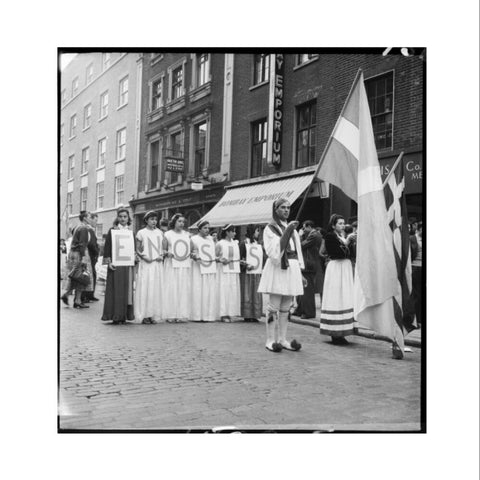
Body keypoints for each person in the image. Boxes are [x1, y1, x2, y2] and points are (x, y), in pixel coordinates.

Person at [258, 199, 304, 352]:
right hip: (278, 268)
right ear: (275, 209)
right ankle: (270, 339)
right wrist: (287, 232)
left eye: (288, 208)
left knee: (286, 307)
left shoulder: (293, 229)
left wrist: (300, 272)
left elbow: (297, 251)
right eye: (283, 207)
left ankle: (282, 339)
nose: (286, 210)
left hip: (292, 267)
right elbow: (273, 252)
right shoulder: (270, 228)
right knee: (273, 306)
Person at [319, 214, 357, 345]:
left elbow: (351, 254)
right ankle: (335, 332)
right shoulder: (330, 236)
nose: (342, 225)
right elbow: (336, 253)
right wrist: (348, 242)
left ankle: (343, 331)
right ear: (333, 225)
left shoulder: (343, 237)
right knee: (336, 297)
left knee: (345, 296)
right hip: (336, 267)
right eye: (339, 223)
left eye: (343, 223)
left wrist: (351, 242)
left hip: (345, 268)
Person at [101, 208, 136, 324]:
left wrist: (135, 258)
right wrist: (109, 262)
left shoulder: (131, 232)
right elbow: (107, 248)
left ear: (128, 218)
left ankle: (124, 316)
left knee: (126, 290)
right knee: (115, 290)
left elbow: (133, 249)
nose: (123, 219)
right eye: (120, 216)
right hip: (115, 265)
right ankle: (115, 315)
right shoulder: (112, 231)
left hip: (127, 265)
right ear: (117, 218)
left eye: (125, 217)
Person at [134, 211, 164, 324]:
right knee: (146, 287)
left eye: (155, 219)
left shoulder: (160, 233)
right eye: (151, 219)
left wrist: (161, 255)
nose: (154, 221)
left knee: (155, 288)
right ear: (146, 220)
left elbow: (162, 248)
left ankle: (153, 314)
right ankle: (145, 314)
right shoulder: (141, 233)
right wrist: (143, 256)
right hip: (147, 263)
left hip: (157, 264)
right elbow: (137, 249)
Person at [61, 211, 94, 308]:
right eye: (89, 217)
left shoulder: (77, 227)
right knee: (81, 277)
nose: (90, 218)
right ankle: (74, 299)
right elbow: (82, 244)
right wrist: (83, 257)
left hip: (73, 253)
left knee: (76, 277)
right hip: (79, 254)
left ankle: (75, 299)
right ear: (84, 218)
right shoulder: (83, 228)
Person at [163, 213, 192, 322]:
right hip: (172, 264)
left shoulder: (187, 235)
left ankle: (181, 314)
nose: (181, 223)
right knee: (172, 288)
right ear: (174, 222)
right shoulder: (168, 234)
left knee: (183, 288)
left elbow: (191, 249)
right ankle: (170, 314)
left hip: (184, 265)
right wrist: (167, 253)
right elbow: (163, 250)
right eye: (179, 221)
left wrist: (192, 254)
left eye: (183, 222)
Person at [190, 220, 218, 322]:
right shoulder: (194, 239)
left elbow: (214, 253)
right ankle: (197, 315)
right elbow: (190, 252)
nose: (207, 230)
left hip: (209, 268)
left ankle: (208, 315)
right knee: (198, 290)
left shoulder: (211, 240)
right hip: (198, 268)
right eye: (205, 228)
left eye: (208, 228)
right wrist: (194, 256)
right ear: (199, 229)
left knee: (209, 290)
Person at [295, 220, 322, 319]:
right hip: (309, 264)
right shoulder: (314, 234)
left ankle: (309, 312)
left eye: (304, 227)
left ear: (309, 227)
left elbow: (301, 245)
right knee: (303, 289)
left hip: (309, 265)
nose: (303, 230)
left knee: (308, 291)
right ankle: (300, 309)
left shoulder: (314, 235)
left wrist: (300, 235)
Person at [215, 224, 241, 322]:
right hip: (223, 272)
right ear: (227, 232)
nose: (235, 233)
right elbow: (214, 257)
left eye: (235, 231)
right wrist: (221, 260)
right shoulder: (220, 244)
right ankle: (223, 314)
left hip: (233, 271)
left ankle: (230, 312)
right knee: (224, 291)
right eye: (233, 231)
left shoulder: (235, 243)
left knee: (232, 291)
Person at [239, 224, 264, 322]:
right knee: (248, 293)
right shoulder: (243, 243)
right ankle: (247, 315)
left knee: (256, 293)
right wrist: (245, 265)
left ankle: (255, 314)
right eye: (257, 231)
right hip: (247, 273)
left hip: (256, 273)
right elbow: (240, 259)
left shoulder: (258, 244)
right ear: (252, 231)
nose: (258, 233)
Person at [82, 212, 100, 303]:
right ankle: (87, 295)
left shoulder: (91, 229)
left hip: (92, 256)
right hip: (90, 255)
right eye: (95, 220)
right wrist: (97, 252)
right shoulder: (89, 230)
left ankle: (90, 295)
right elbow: (92, 244)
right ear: (91, 219)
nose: (96, 222)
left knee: (92, 275)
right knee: (89, 275)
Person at [410, 221, 423, 327]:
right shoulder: (412, 239)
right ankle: (416, 319)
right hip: (415, 268)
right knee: (416, 295)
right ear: (418, 229)